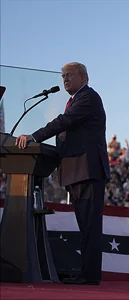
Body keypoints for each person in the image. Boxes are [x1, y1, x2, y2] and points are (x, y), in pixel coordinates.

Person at [15, 62, 111, 285]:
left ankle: (90, 275)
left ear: (83, 78)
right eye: (63, 76)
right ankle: (87, 273)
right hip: (76, 170)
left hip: (87, 170)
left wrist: (34, 137)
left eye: (69, 75)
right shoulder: (75, 100)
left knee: (90, 226)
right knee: (85, 225)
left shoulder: (88, 98)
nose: (65, 79)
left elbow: (63, 122)